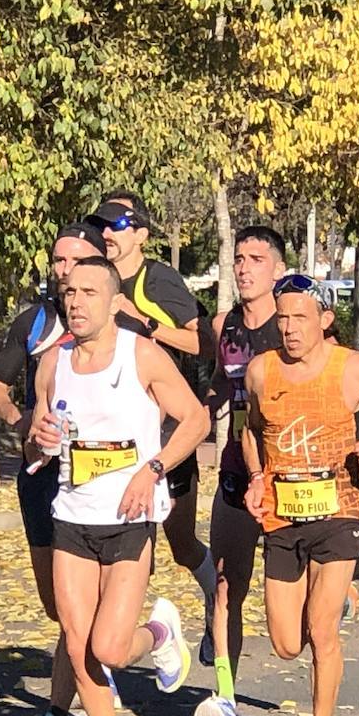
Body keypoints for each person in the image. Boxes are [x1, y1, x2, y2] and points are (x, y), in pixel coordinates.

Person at [29, 256, 209, 716]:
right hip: (72, 517)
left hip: (129, 518)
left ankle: (159, 633)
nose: (76, 301)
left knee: (109, 648)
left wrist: (153, 468)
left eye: (88, 292)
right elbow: (39, 443)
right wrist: (39, 439)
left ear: (112, 301)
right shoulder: (52, 363)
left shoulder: (142, 356)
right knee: (79, 645)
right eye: (69, 292)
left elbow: (196, 419)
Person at [242, 274, 359, 716]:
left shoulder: (354, 369)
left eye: (300, 318)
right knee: (285, 643)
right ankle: (336, 597)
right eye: (282, 318)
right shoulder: (260, 371)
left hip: (339, 510)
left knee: (321, 632)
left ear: (324, 321)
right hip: (281, 514)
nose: (289, 329)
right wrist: (255, 476)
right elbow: (251, 430)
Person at [0, 222, 120, 716]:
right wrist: (22, 424)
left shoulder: (120, 325)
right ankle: (107, 662)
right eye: (58, 262)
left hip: (101, 487)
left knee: (78, 617)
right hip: (41, 477)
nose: (64, 272)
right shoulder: (35, 322)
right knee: (57, 608)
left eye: (76, 262)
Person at [86, 192, 219, 655]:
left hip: (166, 436)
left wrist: (145, 324)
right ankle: (118, 651)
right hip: (107, 437)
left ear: (142, 234)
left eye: (117, 225)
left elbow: (204, 345)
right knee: (117, 550)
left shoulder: (157, 281)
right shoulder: (89, 279)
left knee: (180, 545)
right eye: (100, 224)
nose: (106, 233)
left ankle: (214, 600)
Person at [192, 226, 286, 716]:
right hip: (235, 467)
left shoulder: (296, 322)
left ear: (275, 267)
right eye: (239, 258)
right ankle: (224, 696)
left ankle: (336, 582)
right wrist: (192, 419)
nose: (245, 267)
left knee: (291, 616)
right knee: (228, 584)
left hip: (291, 475)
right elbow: (217, 385)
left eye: (256, 258)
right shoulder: (224, 324)